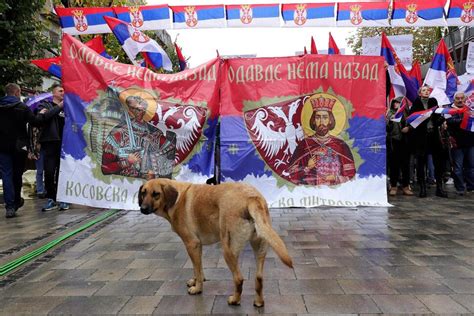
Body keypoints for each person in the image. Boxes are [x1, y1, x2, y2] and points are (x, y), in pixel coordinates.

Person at [0, 83, 63, 218]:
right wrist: (40, 114)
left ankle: (10, 205)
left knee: (6, 175)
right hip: (19, 146)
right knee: (17, 175)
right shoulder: (22, 107)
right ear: (17, 93)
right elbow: (35, 122)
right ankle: (15, 202)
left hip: (2, 147)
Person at [102, 95, 176, 179]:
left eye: (141, 109)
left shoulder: (155, 132)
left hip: (150, 186)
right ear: (128, 110)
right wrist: (127, 162)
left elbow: (170, 160)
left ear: (145, 111)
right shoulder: (117, 134)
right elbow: (105, 168)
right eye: (133, 109)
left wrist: (155, 171)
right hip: (123, 186)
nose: (137, 112)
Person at [287, 96, 356, 186]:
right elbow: (291, 175)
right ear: (314, 121)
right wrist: (306, 168)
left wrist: (335, 178)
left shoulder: (340, 145)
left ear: (330, 120)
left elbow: (351, 176)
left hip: (336, 193)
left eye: (325, 117)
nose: (321, 122)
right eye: (318, 117)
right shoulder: (305, 144)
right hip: (309, 193)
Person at [405, 85, 448, 198]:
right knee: (421, 163)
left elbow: (437, 117)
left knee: (438, 163)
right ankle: (422, 188)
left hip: (433, 135)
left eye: (428, 90)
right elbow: (413, 121)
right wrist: (424, 116)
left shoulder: (433, 101)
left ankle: (439, 187)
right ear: (419, 93)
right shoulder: (416, 104)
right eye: (424, 90)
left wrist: (442, 119)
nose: (426, 92)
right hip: (421, 138)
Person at [37, 83, 69, 211]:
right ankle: (51, 198)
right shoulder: (45, 105)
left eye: (64, 91)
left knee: (63, 173)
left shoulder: (68, 107)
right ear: (54, 93)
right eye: (60, 91)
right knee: (49, 172)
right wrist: (59, 107)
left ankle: (63, 199)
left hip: (64, 143)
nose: (63, 93)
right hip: (50, 143)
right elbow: (43, 117)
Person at [446, 91, 474, 195]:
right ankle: (460, 188)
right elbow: (451, 121)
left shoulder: (469, 109)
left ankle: (471, 187)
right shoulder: (449, 110)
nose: (460, 100)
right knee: (457, 168)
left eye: (462, 98)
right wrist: (465, 116)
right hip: (457, 144)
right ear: (454, 100)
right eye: (458, 98)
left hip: (470, 142)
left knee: (471, 167)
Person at [386, 97, 414, 196]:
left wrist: (408, 128)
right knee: (394, 165)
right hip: (394, 142)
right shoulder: (390, 114)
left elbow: (413, 125)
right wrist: (390, 121)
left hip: (405, 142)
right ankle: (393, 186)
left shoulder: (408, 114)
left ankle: (406, 186)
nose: (397, 104)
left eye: (399, 103)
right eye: (396, 102)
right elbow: (387, 129)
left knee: (406, 165)